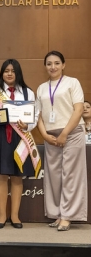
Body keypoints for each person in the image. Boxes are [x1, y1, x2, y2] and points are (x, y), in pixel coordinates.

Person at [0, 59, 40, 229]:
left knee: (17, 176)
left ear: (18, 73)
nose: (9, 73)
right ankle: (1, 217)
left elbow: (35, 115)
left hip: (20, 136)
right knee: (1, 176)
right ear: (2, 73)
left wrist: (28, 125)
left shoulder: (28, 92)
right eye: (6, 70)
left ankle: (15, 216)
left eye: (13, 71)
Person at [37, 51, 87, 231]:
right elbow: (39, 115)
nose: (53, 67)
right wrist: (44, 135)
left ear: (63, 65)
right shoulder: (42, 88)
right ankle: (58, 214)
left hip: (72, 133)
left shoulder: (72, 82)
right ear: (45, 66)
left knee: (71, 175)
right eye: (49, 63)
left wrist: (65, 133)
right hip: (51, 136)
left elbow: (78, 109)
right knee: (54, 177)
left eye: (57, 63)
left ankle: (68, 215)